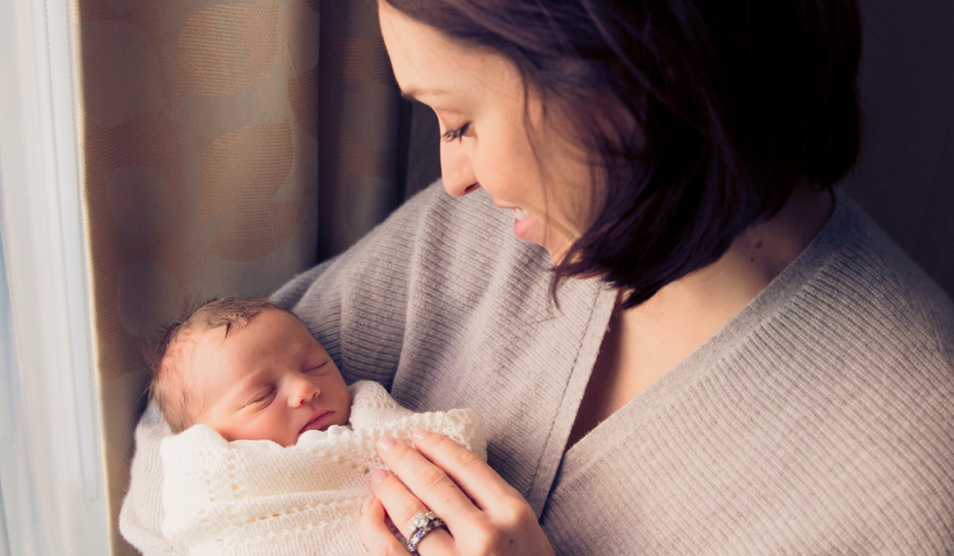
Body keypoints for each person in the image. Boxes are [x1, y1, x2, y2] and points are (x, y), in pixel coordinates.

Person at [273, 0, 954, 554]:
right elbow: (182, 428)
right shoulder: (512, 221)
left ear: (632, 79)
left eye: (461, 122)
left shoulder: (916, 479)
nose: (454, 181)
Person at [118, 297, 486, 556]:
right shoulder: (214, 471)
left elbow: (442, 444)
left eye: (314, 365)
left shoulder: (368, 414)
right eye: (261, 395)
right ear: (208, 437)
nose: (305, 388)